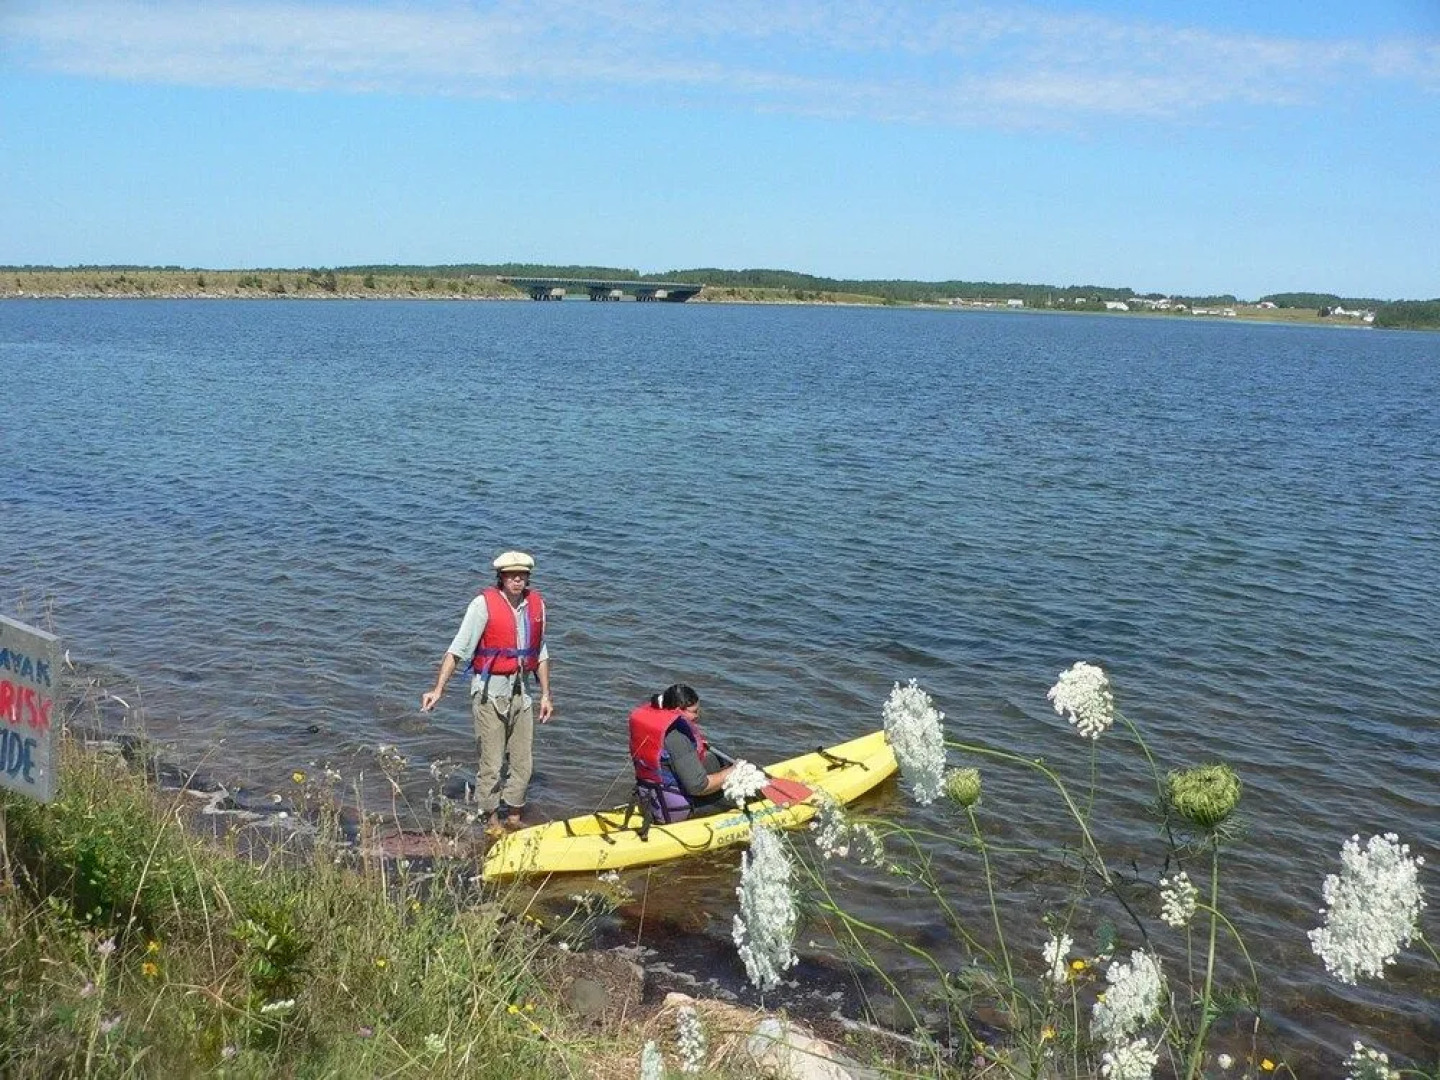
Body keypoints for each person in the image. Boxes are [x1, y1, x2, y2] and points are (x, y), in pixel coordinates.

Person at [421, 550, 553, 830]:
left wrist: (546, 695)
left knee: (523, 762)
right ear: (501, 577)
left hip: (523, 693)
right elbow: (457, 649)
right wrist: (438, 689)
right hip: (489, 693)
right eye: (511, 575)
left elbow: (539, 651)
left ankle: (515, 819)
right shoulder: (482, 605)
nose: (517, 580)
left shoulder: (536, 605)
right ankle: (492, 823)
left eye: (522, 575)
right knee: (491, 764)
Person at [628, 683, 734, 823]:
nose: (698, 715)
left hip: (650, 800)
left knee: (717, 760)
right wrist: (733, 772)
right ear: (679, 710)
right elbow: (698, 787)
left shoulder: (656, 730)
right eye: (694, 711)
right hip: (676, 812)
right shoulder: (677, 738)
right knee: (742, 796)